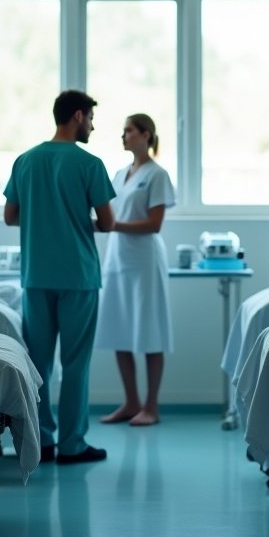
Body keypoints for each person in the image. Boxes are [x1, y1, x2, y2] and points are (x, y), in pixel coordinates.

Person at [3, 90, 116, 465]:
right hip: (78, 276)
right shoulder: (89, 164)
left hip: (37, 274)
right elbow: (109, 222)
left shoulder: (26, 160)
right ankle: (72, 444)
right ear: (78, 116)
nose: (93, 127)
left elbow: (10, 216)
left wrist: (42, 215)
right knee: (76, 363)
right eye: (91, 120)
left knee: (38, 363)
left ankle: (43, 441)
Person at [94, 114, 176, 427]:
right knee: (120, 330)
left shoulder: (157, 174)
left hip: (144, 261)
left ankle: (151, 406)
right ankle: (131, 402)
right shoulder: (119, 174)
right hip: (117, 259)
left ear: (146, 135)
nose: (124, 135)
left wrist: (114, 226)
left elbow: (154, 224)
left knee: (149, 332)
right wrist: (104, 226)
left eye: (128, 130)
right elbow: (109, 216)